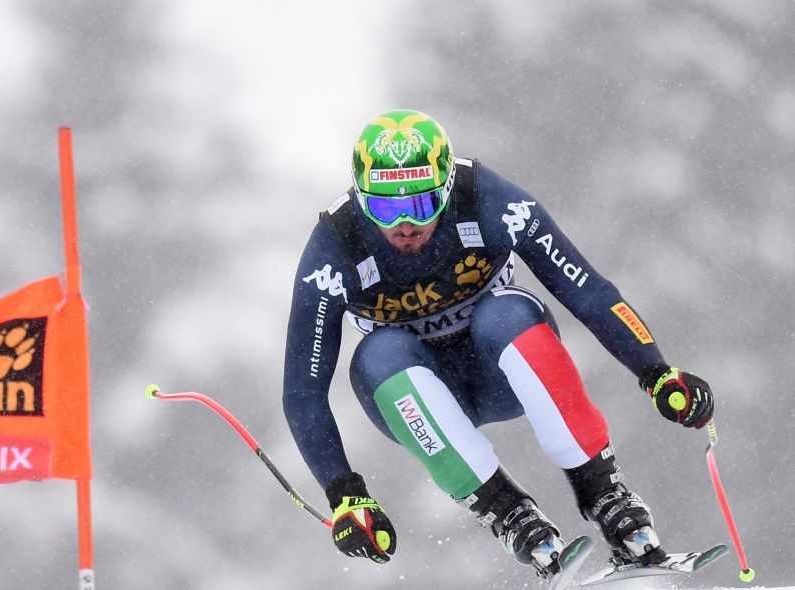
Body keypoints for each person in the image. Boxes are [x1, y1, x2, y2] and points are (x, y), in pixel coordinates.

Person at [281, 109, 714, 580]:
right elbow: (303, 390)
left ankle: (609, 499)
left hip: (500, 370)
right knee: (379, 353)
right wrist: (345, 494)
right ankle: (514, 518)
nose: (405, 226)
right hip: (418, 397)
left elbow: (584, 288)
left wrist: (656, 372)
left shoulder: (486, 199)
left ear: (446, 189)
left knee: (503, 312)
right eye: (386, 209)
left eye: (422, 205)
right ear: (361, 199)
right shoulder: (335, 244)